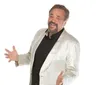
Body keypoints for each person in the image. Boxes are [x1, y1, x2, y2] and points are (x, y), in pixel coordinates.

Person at [5, 4, 80, 85]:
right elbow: (31, 56)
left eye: (58, 17)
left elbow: (73, 71)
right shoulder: (39, 33)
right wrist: (17, 58)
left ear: (65, 22)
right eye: (51, 16)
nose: (53, 20)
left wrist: (64, 81)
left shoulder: (71, 43)